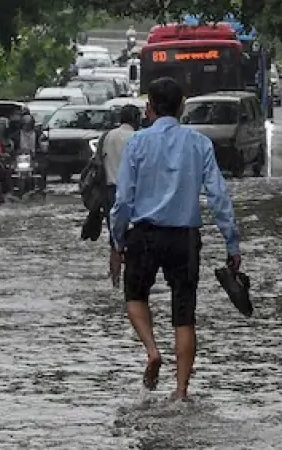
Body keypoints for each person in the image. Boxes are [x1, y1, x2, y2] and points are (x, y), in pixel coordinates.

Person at [109, 77, 241, 401]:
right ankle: (181, 391)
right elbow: (219, 196)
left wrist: (117, 240)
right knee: (184, 314)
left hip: (144, 234)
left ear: (149, 108)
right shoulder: (199, 144)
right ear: (182, 107)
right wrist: (232, 243)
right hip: (185, 238)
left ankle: (153, 351)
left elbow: (123, 200)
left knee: (135, 296)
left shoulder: (136, 143)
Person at [101, 105, 140, 246]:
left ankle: (115, 258)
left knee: (114, 238)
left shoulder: (107, 136)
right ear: (135, 119)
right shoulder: (137, 138)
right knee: (135, 236)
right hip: (132, 191)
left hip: (109, 189)